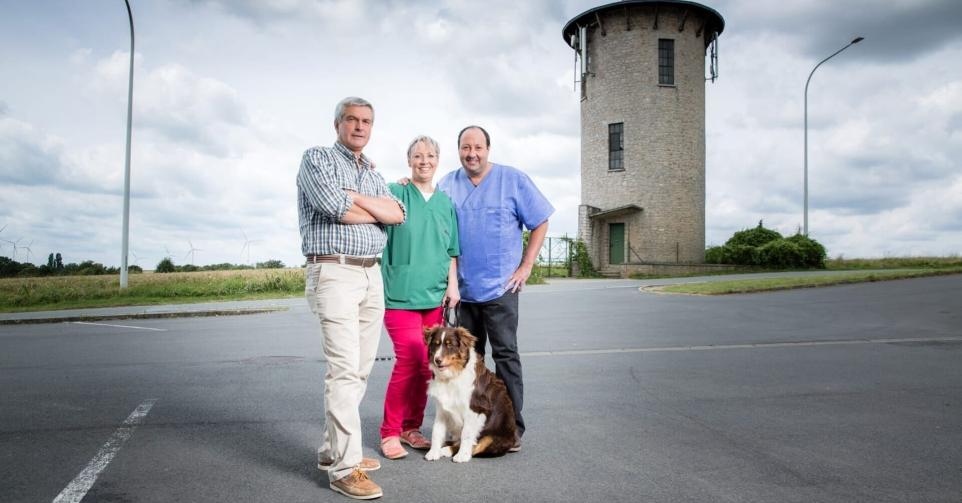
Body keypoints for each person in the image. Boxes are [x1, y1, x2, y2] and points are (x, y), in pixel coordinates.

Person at [297, 96, 405, 500]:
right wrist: (373, 209)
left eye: (366, 121)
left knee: (359, 371)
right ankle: (345, 468)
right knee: (343, 370)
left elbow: (398, 214)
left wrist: (355, 198)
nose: (359, 127)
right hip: (334, 271)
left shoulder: (372, 171)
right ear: (337, 124)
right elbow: (332, 207)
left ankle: (332, 451)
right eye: (351, 119)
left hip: (370, 274)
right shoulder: (317, 159)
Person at [436, 125, 554, 452]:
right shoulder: (447, 185)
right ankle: (468, 426)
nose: (472, 154)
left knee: (505, 356)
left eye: (478, 147)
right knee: (466, 363)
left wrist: (526, 266)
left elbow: (540, 220)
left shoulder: (512, 180)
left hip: (501, 288)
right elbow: (430, 211)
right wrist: (408, 183)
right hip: (462, 291)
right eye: (465, 148)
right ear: (458, 150)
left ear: (488, 149)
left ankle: (509, 429)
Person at [379, 135, 460, 460]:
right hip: (400, 294)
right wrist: (393, 184)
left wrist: (453, 286)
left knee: (429, 365)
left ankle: (411, 428)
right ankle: (389, 431)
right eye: (417, 156)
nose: (424, 161)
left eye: (430, 155)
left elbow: (451, 250)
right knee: (409, 359)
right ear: (409, 160)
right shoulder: (394, 192)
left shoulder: (445, 204)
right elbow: (370, 195)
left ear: (438, 160)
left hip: (434, 297)